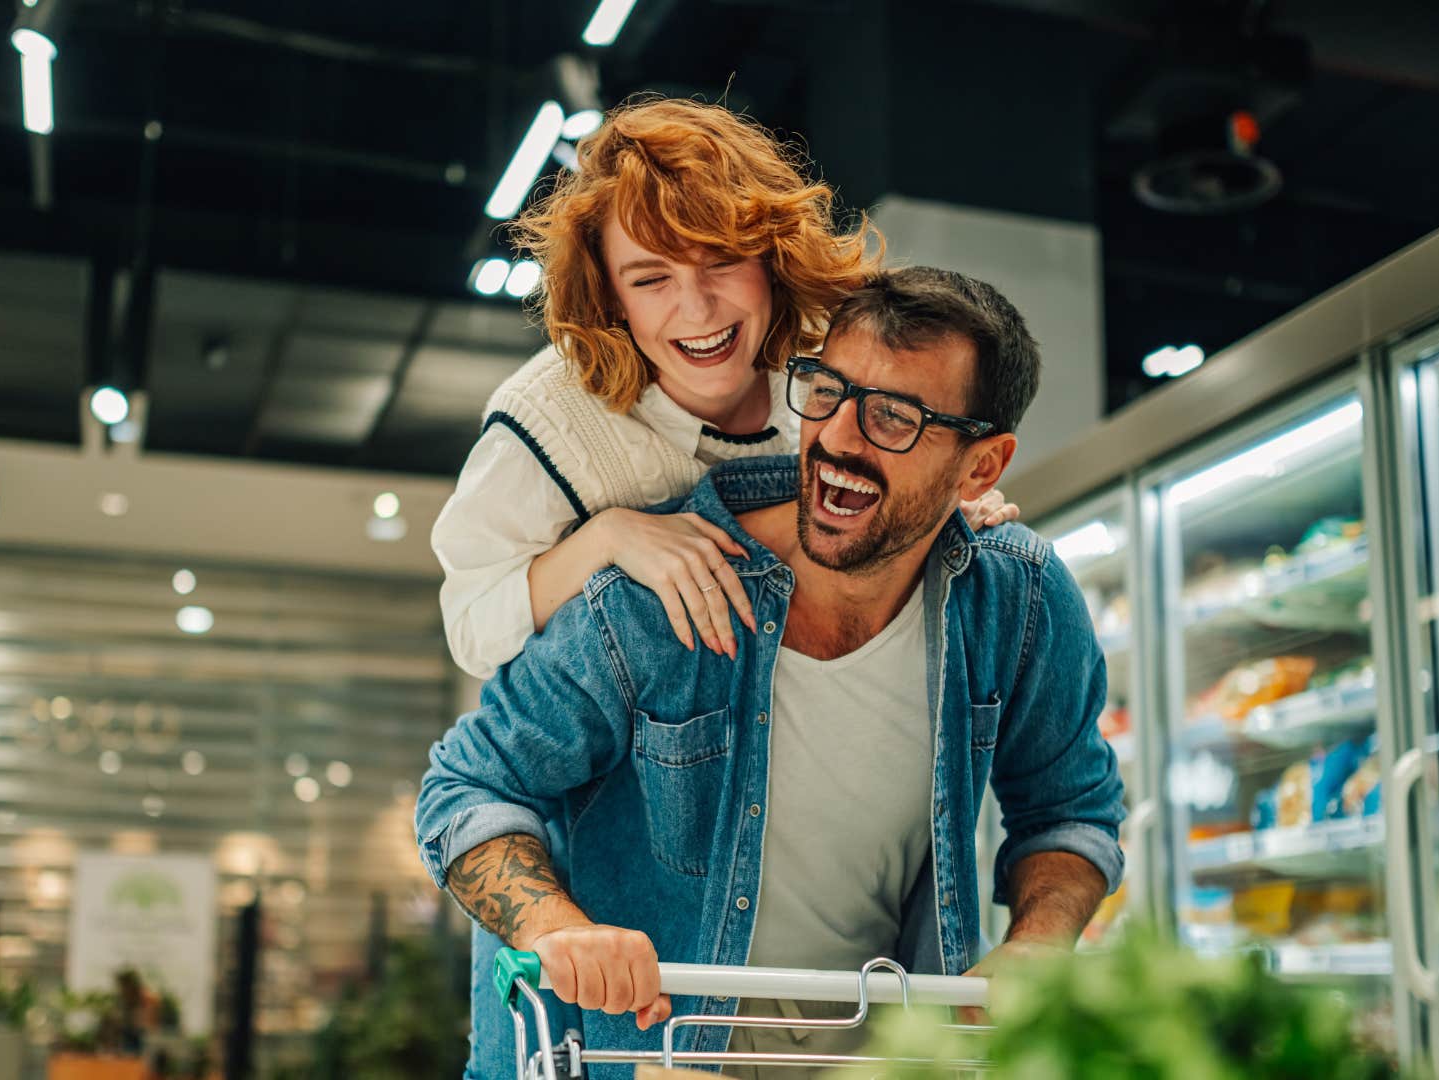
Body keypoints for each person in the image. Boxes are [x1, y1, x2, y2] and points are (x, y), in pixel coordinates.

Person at [417, 267, 1124, 1079]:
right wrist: (553, 927)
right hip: (653, 1048)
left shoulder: (1016, 600)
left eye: (894, 417)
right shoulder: (661, 594)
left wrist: (1037, 942)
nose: (840, 441)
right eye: (827, 392)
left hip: (879, 1050)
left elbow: (1071, 808)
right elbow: (468, 787)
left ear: (980, 468)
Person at [431, 97, 1013, 681]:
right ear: (611, 295)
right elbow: (471, 627)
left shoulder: (826, 360)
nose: (698, 309)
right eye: (652, 279)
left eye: (722, 261)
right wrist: (605, 538)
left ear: (771, 255)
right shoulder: (547, 419)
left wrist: (942, 505)